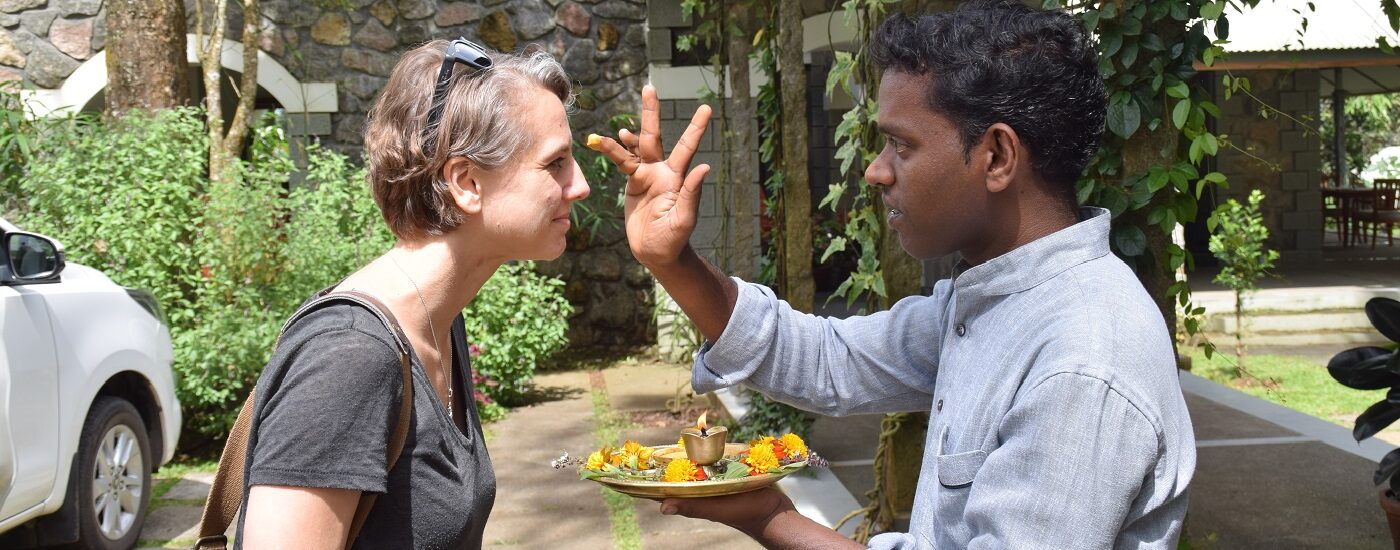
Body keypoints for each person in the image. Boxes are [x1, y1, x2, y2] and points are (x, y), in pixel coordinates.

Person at [591, 1, 1194, 548]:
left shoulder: (1082, 361)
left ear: (997, 156)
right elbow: (829, 360)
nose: (876, 173)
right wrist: (674, 260)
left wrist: (770, 518)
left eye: (901, 146)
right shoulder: (993, 301)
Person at [237, 39, 589, 549]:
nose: (578, 186)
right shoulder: (349, 357)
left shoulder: (438, 322)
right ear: (466, 182)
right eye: (555, 163)